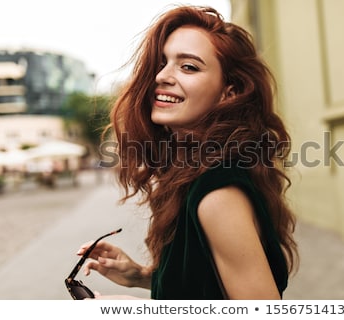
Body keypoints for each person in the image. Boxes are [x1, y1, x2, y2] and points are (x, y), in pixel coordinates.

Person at [76, 5, 298, 300]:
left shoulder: (217, 192)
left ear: (228, 93)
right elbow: (207, 286)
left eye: (189, 66)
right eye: (163, 62)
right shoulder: (192, 173)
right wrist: (142, 276)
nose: (161, 76)